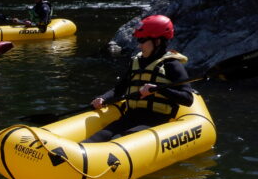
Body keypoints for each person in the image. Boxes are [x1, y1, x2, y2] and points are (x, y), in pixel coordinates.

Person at [83, 15, 194, 143]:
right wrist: (103, 98)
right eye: (138, 40)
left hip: (157, 120)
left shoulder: (171, 65)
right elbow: (119, 89)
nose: (139, 45)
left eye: (142, 40)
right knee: (97, 138)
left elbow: (188, 99)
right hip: (131, 116)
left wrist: (158, 89)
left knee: (119, 140)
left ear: (157, 41)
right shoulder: (136, 62)